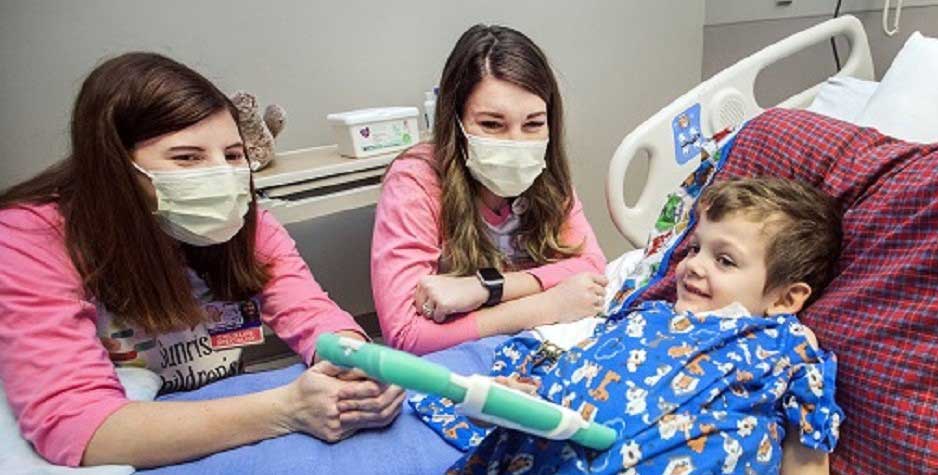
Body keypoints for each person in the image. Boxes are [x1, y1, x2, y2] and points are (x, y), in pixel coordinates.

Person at [0, 52, 404, 469]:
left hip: (217, 413)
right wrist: (286, 410)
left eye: (232, 156)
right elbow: (78, 427)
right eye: (187, 158)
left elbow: (311, 312)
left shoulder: (249, 222)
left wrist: (357, 361)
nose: (221, 178)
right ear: (114, 165)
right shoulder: (30, 237)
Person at [448, 178, 845, 475]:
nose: (692, 265)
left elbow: (806, 459)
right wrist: (509, 403)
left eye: (724, 260)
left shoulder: (785, 344)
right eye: (694, 249)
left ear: (785, 299)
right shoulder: (647, 317)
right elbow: (570, 378)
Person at [371, 24, 608, 355]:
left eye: (533, 124)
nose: (516, 142)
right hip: (459, 357)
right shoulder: (415, 181)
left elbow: (592, 266)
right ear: (454, 122)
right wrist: (546, 306)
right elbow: (406, 334)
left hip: (537, 345)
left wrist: (482, 289)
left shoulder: (546, 176)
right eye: (492, 125)